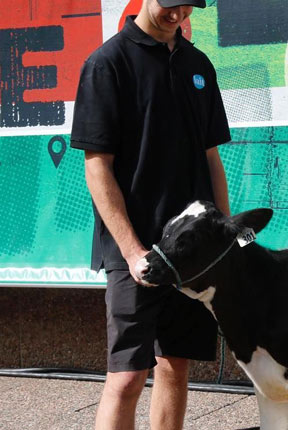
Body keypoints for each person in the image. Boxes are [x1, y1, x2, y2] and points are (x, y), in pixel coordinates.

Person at [70, 0, 231, 428]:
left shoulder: (198, 64)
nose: (177, 16)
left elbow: (210, 156)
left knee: (175, 366)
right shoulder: (107, 63)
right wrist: (131, 250)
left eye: (187, 7)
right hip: (135, 250)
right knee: (126, 377)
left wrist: (226, 235)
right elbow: (96, 167)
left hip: (193, 249)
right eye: (169, 5)